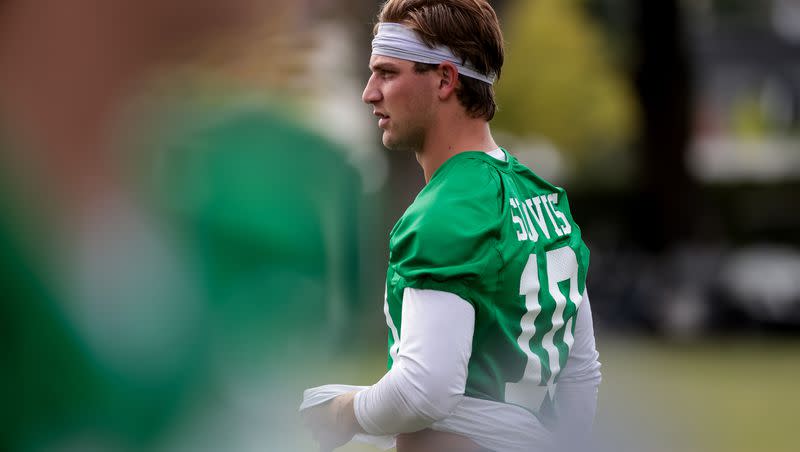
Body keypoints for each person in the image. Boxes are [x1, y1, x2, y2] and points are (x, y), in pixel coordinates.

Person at [300, 1, 602, 451]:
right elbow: (581, 375)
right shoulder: (545, 199)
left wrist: (342, 412)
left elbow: (424, 391)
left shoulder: (446, 212)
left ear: (445, 79)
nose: (369, 92)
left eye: (387, 73)